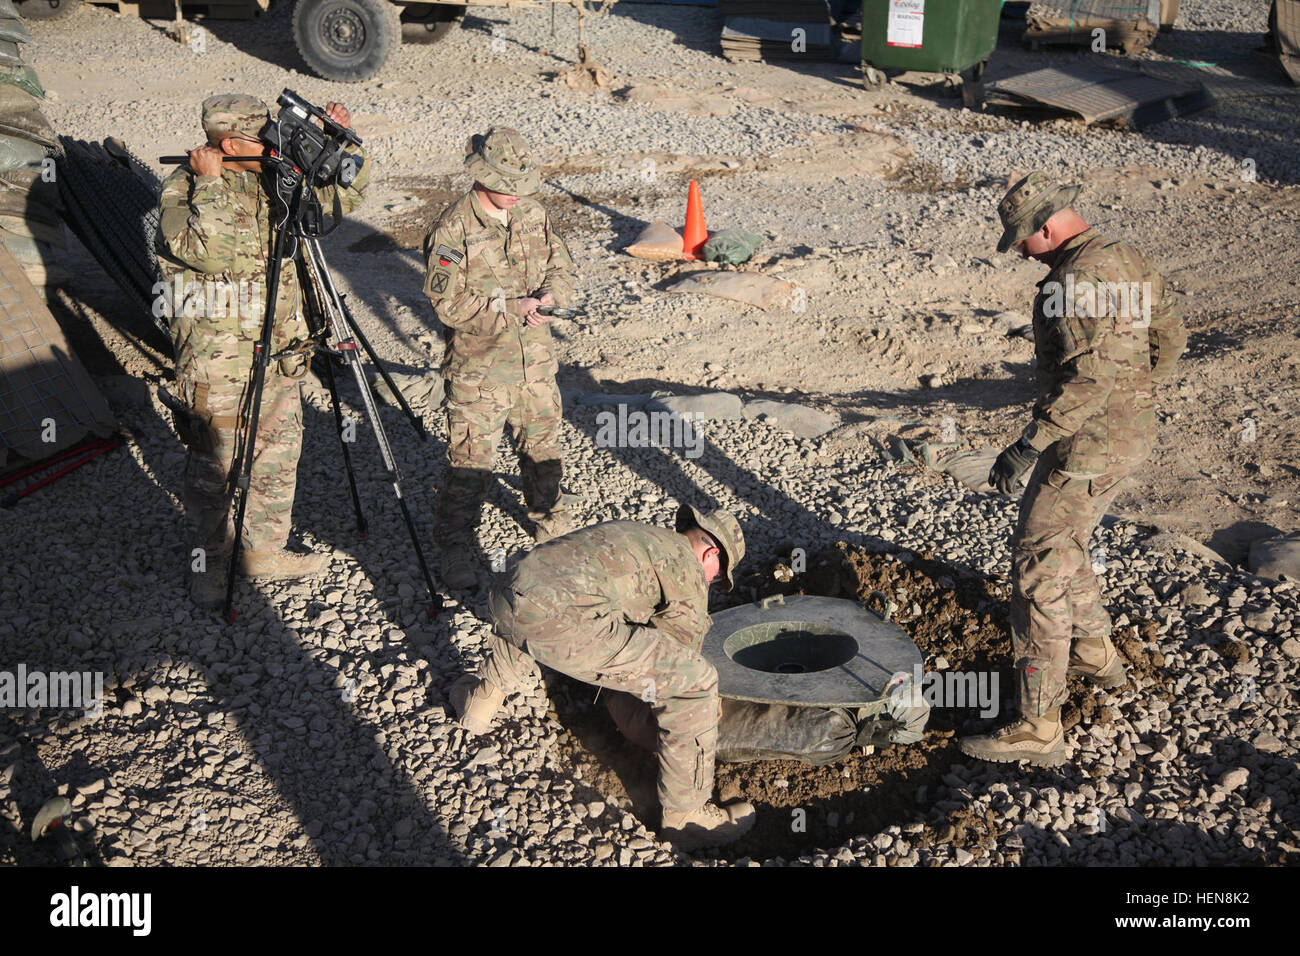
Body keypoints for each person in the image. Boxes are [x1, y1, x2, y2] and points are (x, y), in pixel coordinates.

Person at [961, 172, 1187, 767]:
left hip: (1082, 446)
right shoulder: (1127, 257)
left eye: (1022, 239)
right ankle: (1094, 653)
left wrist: (1028, 445)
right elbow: (1170, 337)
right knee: (1069, 542)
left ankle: (1039, 724)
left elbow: (1088, 379)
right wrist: (1136, 399)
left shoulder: (1074, 281)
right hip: (1128, 437)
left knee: (1036, 566)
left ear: (1047, 226)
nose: (1020, 252)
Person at [156, 93, 370, 608]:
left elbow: (345, 200)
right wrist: (209, 182)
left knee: (277, 453)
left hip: (279, 348)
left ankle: (264, 551)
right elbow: (207, 254)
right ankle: (209, 565)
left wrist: (335, 142)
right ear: (228, 143)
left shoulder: (275, 180)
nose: (274, 143)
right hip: (219, 358)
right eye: (262, 137)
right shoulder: (183, 189)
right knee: (216, 465)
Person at [451, 505, 756, 849]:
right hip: (559, 620)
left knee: (541, 606)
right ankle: (688, 820)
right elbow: (674, 668)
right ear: (712, 553)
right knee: (697, 683)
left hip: (508, 591)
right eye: (717, 575)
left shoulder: (638, 533)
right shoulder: (687, 573)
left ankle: (479, 703)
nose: (711, 581)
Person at [422, 127, 577, 591]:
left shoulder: (533, 212)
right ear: (481, 177)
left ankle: (549, 522)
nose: (514, 195)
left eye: (521, 185)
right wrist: (510, 310)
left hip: (537, 365)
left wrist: (554, 294)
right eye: (505, 185)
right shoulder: (452, 229)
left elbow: (561, 264)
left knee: (544, 451)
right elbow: (447, 304)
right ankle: (454, 544)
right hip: (481, 373)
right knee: (471, 463)